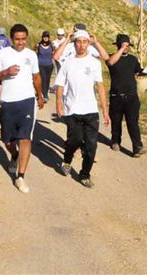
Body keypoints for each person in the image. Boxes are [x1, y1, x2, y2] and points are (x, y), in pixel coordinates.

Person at [0, 24, 46, 193]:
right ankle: (13, 155)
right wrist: (5, 73)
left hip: (27, 101)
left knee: (25, 139)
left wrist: (40, 95)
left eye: (23, 39)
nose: (20, 42)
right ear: (11, 39)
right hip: (7, 102)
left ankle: (20, 176)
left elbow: (36, 77)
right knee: (7, 140)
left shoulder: (31, 55)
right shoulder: (3, 53)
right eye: (17, 39)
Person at [55, 30, 110, 187]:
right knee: (75, 140)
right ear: (74, 43)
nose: (81, 45)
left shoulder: (94, 63)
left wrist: (105, 111)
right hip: (72, 109)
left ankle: (85, 174)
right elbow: (59, 84)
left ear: (88, 43)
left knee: (91, 146)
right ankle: (67, 159)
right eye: (78, 41)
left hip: (91, 111)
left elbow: (100, 87)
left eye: (84, 42)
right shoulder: (68, 63)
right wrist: (59, 103)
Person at [105, 33, 147, 157]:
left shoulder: (133, 59)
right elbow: (110, 63)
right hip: (116, 96)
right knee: (116, 121)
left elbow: (139, 72)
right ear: (118, 45)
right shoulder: (112, 57)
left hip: (131, 97)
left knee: (133, 122)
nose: (126, 47)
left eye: (128, 45)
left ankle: (137, 147)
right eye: (123, 45)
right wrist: (121, 49)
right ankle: (115, 141)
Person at [34, 31, 54, 102]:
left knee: (47, 80)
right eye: (44, 37)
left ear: (49, 37)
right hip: (41, 65)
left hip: (49, 66)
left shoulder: (51, 45)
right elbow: (33, 51)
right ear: (42, 37)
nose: (46, 38)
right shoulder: (38, 45)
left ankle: (44, 93)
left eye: (47, 37)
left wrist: (53, 61)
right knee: (43, 79)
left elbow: (54, 53)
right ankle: (44, 95)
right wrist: (35, 47)